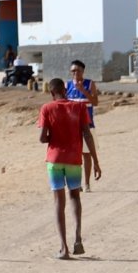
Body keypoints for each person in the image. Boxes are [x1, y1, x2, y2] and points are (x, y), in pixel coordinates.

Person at [38, 77, 101, 260]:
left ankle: (63, 248)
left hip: (54, 161)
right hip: (74, 159)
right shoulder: (79, 107)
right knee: (75, 197)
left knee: (59, 202)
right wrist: (95, 161)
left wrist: (54, 138)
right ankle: (78, 237)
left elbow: (42, 138)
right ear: (65, 90)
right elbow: (87, 134)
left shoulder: (47, 108)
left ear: (51, 93)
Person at [65, 59, 99, 192]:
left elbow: (95, 102)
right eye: (73, 71)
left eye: (77, 70)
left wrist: (83, 91)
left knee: (87, 154)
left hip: (88, 126)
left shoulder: (90, 84)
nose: (75, 73)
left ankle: (87, 183)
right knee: (73, 156)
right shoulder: (67, 86)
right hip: (72, 128)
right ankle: (75, 183)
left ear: (83, 71)